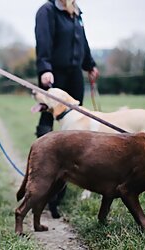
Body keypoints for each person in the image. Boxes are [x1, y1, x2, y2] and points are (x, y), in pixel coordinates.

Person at [35, 0, 99, 217]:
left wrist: (89, 64)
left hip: (74, 75)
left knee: (75, 126)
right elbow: (43, 41)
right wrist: (44, 67)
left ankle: (70, 174)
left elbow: (82, 40)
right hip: (53, 74)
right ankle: (43, 176)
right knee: (47, 124)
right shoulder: (47, 10)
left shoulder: (76, 11)